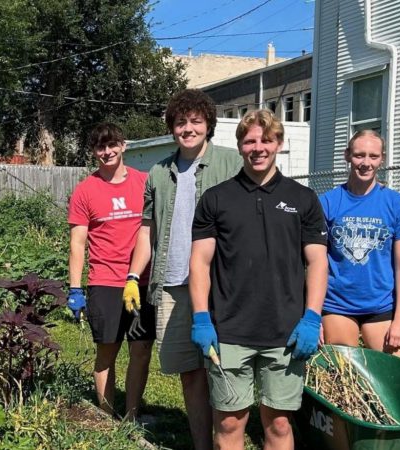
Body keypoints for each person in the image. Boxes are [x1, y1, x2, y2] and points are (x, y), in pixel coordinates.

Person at [188, 109, 328, 450]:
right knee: (230, 422)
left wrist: (312, 317)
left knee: (279, 424)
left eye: (266, 140)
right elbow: (200, 262)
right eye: (249, 140)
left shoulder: (303, 199)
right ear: (239, 146)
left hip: (286, 331)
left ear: (279, 143)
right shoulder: (216, 199)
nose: (258, 147)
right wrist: (201, 317)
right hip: (229, 331)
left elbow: (318, 262)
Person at [125, 89, 242, 449]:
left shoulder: (233, 163)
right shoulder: (159, 172)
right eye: (180, 122)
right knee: (190, 372)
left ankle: (230, 440)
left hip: (222, 284)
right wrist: (133, 275)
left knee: (225, 371)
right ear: (172, 128)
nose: (187, 128)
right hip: (173, 284)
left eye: (195, 121)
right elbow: (148, 229)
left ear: (208, 124)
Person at [66, 123, 154, 421]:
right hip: (104, 282)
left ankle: (131, 417)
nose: (107, 152)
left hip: (142, 280)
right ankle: (106, 415)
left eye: (112, 145)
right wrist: (75, 288)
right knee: (107, 352)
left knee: (141, 351)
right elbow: (78, 243)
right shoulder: (85, 191)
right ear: (94, 152)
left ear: (123, 145)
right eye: (100, 147)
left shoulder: (145, 182)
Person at [318, 130, 400, 362]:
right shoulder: (327, 203)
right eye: (359, 155)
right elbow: (315, 263)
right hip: (337, 305)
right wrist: (313, 316)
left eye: (373, 156)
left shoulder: (397, 204)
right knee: (347, 377)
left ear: (382, 159)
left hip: (381, 305)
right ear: (347, 156)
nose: (366, 163)